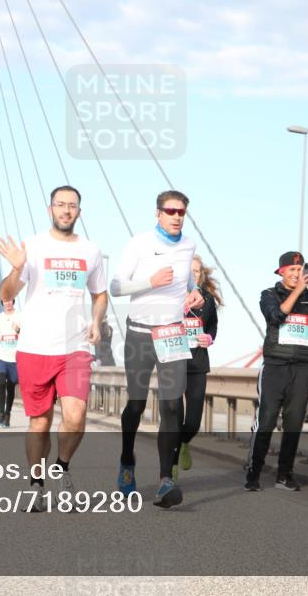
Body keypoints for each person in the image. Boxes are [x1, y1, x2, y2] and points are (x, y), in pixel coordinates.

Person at [0, 185, 107, 510]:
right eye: (60, 204)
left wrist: (97, 321)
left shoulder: (91, 250)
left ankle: (62, 467)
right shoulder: (32, 246)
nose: (66, 210)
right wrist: (18, 267)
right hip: (34, 347)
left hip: (75, 347)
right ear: (50, 210)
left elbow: (100, 294)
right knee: (40, 423)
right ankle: (36, 483)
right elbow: (6, 293)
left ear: (79, 212)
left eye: (72, 205)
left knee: (75, 416)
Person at [110, 190, 204, 508]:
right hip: (139, 334)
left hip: (172, 335)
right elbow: (116, 286)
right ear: (158, 213)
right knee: (135, 405)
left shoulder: (189, 245)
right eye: (171, 210)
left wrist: (195, 292)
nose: (177, 216)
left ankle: (165, 481)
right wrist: (150, 281)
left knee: (172, 408)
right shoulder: (139, 243)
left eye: (181, 212)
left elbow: (184, 282)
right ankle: (127, 462)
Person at [244, 251, 308, 492]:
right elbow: (277, 316)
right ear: (281, 272)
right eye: (291, 270)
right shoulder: (269, 294)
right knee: (267, 420)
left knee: (294, 423)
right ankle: (253, 471)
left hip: (302, 368)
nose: (296, 274)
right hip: (275, 367)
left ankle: (285, 474)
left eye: (300, 269)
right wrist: (297, 291)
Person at [176, 254, 221, 478]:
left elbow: (212, 326)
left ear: (200, 275)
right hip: (174, 363)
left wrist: (209, 339)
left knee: (193, 420)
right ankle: (171, 465)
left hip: (197, 363)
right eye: (188, 270)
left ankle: (185, 442)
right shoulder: (170, 297)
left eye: (195, 272)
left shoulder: (207, 299)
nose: (192, 275)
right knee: (175, 416)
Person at [0, 299, 21, 427]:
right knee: (2, 381)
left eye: (9, 301)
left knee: (11, 385)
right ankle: (1, 413)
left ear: (13, 301)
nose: (7, 303)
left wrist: (19, 330)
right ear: (2, 303)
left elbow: (29, 334)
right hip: (1, 355)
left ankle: (8, 414)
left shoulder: (20, 316)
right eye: (5, 301)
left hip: (15, 357)